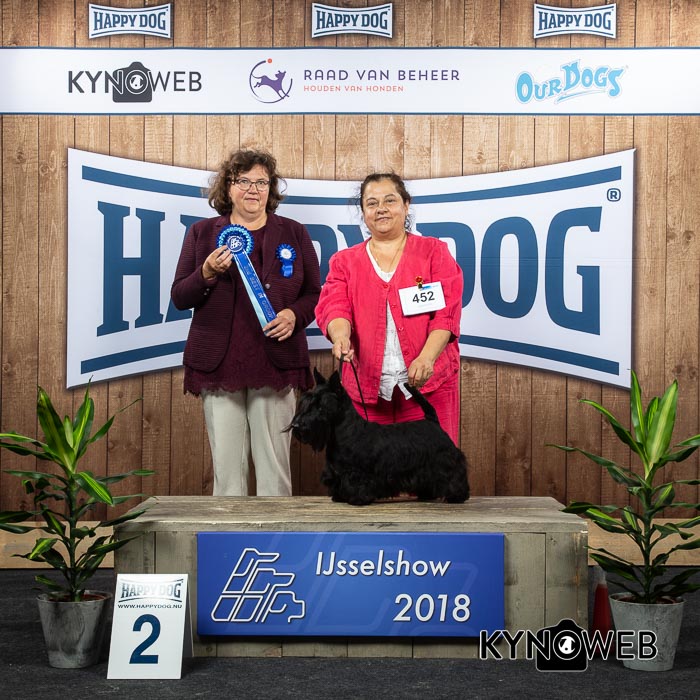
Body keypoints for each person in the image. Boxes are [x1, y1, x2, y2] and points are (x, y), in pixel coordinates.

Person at [171, 149, 320, 496]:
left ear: (271, 189)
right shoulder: (201, 233)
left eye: (261, 182)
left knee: (274, 473)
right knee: (228, 477)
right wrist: (205, 273)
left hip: (276, 363)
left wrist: (294, 315)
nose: (253, 189)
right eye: (243, 181)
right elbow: (179, 296)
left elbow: (314, 293)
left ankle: (275, 532)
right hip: (219, 364)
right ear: (228, 186)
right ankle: (229, 532)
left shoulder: (295, 233)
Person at [315, 172, 463, 444]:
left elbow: (446, 315)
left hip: (428, 388)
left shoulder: (434, 252)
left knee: (432, 467)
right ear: (363, 212)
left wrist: (427, 359)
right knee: (370, 468)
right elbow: (335, 307)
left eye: (390, 200)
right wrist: (341, 336)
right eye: (372, 203)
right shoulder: (343, 262)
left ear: (406, 205)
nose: (381, 208)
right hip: (367, 390)